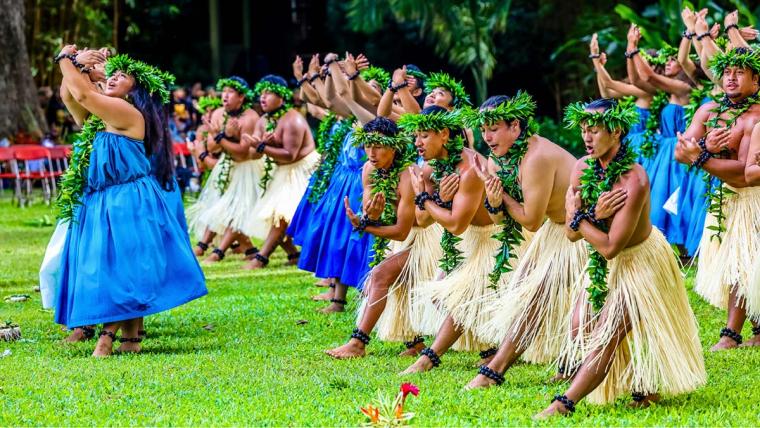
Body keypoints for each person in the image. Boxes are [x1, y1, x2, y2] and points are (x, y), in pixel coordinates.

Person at [536, 99, 704, 417]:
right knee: (580, 326)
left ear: (616, 132)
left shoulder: (633, 179)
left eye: (595, 130)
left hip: (640, 261)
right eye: (584, 129)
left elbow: (611, 245)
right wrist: (585, 218)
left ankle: (563, 404)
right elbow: (572, 236)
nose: (587, 137)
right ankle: (640, 384)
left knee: (607, 333)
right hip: (606, 263)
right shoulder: (583, 168)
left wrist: (580, 217)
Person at [52, 48, 207, 357]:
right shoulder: (100, 117)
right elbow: (71, 97)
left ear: (136, 92)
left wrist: (66, 60)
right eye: (113, 73)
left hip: (128, 201)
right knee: (110, 267)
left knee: (124, 269)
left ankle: (107, 337)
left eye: (123, 76)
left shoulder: (127, 114)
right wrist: (79, 68)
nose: (114, 76)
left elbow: (83, 96)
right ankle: (129, 340)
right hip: (101, 201)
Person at [458, 92, 587, 389]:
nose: (487, 137)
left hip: (581, 232)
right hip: (555, 233)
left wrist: (500, 195)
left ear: (515, 126)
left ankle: (494, 371)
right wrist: (493, 202)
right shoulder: (496, 160)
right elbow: (500, 220)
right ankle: (569, 363)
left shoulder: (536, 158)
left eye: (494, 128)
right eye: (483, 129)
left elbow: (530, 220)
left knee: (536, 297)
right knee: (522, 291)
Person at [398, 106, 505, 374]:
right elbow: (423, 221)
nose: (417, 143)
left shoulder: (468, 168)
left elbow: (456, 224)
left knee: (462, 298)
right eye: (415, 136)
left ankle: (428, 358)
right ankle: (491, 348)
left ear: (444, 134)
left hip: (495, 239)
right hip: (470, 239)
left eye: (423, 135)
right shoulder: (431, 167)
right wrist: (434, 198)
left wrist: (426, 199)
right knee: (441, 296)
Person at [325, 117, 442, 359]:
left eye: (378, 146)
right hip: (399, 236)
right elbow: (371, 210)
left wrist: (365, 227)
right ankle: (415, 343)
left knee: (379, 276)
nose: (371, 152)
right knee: (399, 285)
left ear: (395, 146)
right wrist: (369, 217)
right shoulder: (369, 169)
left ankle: (357, 344)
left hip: (425, 238)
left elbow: (401, 228)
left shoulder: (409, 175)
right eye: (367, 145)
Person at [675, 47, 760, 350]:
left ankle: (730, 335)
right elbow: (680, 150)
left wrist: (700, 157)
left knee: (743, 263)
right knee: (736, 264)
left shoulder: (756, 117)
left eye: (740, 72)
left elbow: (743, 173)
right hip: (724, 197)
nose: (732, 78)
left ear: (756, 78)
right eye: (727, 72)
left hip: (752, 198)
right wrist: (704, 145)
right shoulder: (708, 111)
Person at [243, 75, 319, 269]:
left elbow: (290, 155)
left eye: (268, 93)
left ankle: (261, 258)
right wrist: (260, 146)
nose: (263, 97)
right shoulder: (263, 120)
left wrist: (262, 147)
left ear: (282, 97)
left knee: (282, 215)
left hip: (302, 169)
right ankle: (293, 254)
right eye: (261, 93)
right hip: (282, 171)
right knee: (274, 215)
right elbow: (253, 155)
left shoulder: (293, 120)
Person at [197, 76, 263, 262]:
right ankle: (248, 249)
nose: (224, 95)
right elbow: (212, 147)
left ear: (241, 97)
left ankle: (218, 252)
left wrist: (222, 138)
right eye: (223, 92)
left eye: (230, 92)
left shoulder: (250, 118)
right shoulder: (219, 114)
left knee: (236, 210)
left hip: (246, 168)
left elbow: (242, 153)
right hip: (227, 166)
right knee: (218, 206)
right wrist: (225, 135)